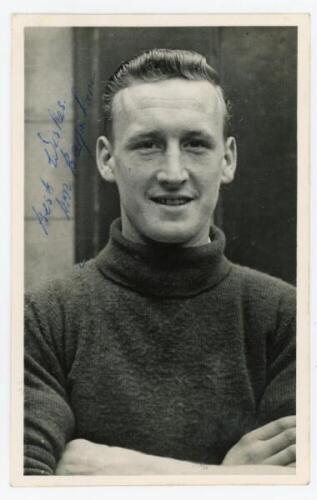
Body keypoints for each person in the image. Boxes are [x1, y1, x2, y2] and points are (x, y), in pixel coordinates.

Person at [24, 48, 296, 476]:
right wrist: (227, 479)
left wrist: (109, 470)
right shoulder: (42, 319)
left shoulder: (289, 320)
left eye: (195, 145)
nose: (173, 172)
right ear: (107, 159)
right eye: (148, 145)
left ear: (227, 160)